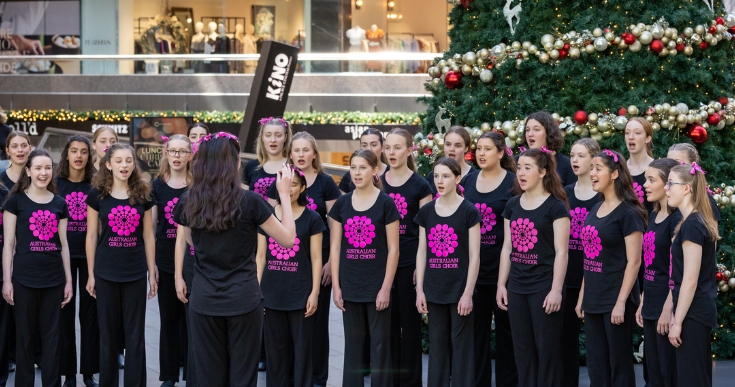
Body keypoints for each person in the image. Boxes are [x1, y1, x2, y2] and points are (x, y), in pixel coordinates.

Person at [172, 132, 296, 386]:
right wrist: (284, 195)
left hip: (204, 299)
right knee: (243, 376)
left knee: (209, 375)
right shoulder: (251, 201)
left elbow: (189, 240)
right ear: (234, 162)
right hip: (243, 299)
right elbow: (287, 239)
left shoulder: (189, 200)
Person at [267, 131, 340, 386]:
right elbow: (268, 227)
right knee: (282, 335)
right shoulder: (279, 182)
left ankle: (316, 377)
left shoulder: (325, 182)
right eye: (296, 150)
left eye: (305, 150)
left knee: (315, 326)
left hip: (315, 262)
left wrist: (331, 262)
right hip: (281, 273)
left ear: (314, 154)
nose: (300, 155)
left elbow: (334, 225)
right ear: (290, 153)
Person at [85, 143, 158, 386]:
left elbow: (148, 235)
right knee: (108, 335)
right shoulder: (96, 195)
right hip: (105, 271)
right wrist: (91, 275)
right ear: (108, 164)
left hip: (135, 271)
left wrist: (151, 272)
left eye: (129, 161)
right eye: (118, 161)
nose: (124, 165)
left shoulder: (144, 193)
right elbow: (92, 235)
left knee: (135, 334)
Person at [496, 148, 569, 387]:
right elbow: (507, 248)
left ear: (543, 172)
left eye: (528, 168)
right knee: (523, 351)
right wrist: (501, 285)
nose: (521, 173)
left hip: (544, 287)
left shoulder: (556, 207)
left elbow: (562, 252)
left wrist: (556, 290)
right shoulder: (512, 205)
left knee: (546, 351)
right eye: (519, 168)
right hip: (517, 287)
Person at [575, 149, 647, 387]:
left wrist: (621, 302)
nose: (592, 173)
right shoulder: (595, 210)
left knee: (619, 366)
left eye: (598, 168)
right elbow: (589, 255)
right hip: (594, 298)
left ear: (615, 173)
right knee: (597, 366)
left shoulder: (629, 213)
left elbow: (634, 262)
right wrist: (582, 296)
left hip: (616, 300)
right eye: (591, 168)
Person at [328, 149, 400, 387]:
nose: (357, 173)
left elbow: (393, 250)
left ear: (374, 171)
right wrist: (337, 287)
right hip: (350, 285)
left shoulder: (386, 203)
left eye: (363, 168)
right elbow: (336, 247)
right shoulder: (341, 204)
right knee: (353, 346)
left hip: (377, 285)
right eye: (354, 167)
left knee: (380, 346)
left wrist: (386, 288)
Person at [2, 149, 72, 387]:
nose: (44, 173)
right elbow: (9, 244)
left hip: (53, 279)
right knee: (24, 338)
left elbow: (63, 245)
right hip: (23, 279)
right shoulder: (15, 202)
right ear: (29, 171)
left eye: (48, 168)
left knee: (52, 337)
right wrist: (7, 280)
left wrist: (69, 281)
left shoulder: (60, 204)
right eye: (39, 168)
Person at [415, 158, 481, 387]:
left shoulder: (469, 211)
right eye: (436, 176)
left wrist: (468, 293)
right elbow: (422, 252)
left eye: (445, 176)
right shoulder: (427, 211)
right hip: (434, 290)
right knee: (438, 347)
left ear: (457, 178)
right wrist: (420, 291)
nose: (439, 181)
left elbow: (474, 256)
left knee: (462, 348)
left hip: (459, 290)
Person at [257, 167, 324, 387]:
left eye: (294, 183)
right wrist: (258, 293)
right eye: (285, 183)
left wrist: (314, 293)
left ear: (303, 187)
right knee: (275, 354)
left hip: (300, 295)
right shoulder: (266, 217)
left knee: (302, 352)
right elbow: (260, 257)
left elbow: (316, 258)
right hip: (272, 293)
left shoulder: (312, 218)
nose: (289, 188)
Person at [460, 131, 518, 387]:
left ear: (501, 152)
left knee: (508, 335)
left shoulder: (514, 182)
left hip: (505, 272)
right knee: (476, 336)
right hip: (474, 272)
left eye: (487, 149)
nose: (481, 154)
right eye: (479, 149)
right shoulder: (468, 181)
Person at [381, 128, 432, 386]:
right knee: (386, 328)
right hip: (382, 265)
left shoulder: (421, 185)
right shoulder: (377, 180)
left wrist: (420, 269)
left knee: (410, 327)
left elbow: (426, 231)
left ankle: (411, 382)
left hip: (410, 262)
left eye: (397, 147)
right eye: (388, 147)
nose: (392, 152)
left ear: (409, 150)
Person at [666, 162, 719, 386]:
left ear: (687, 188)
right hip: (694, 311)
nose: (666, 188)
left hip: (694, 314)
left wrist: (677, 321)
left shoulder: (693, 226)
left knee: (693, 379)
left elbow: (690, 279)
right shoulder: (692, 223)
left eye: (670, 183)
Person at [56, 136, 100, 387]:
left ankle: (88, 372)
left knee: (90, 314)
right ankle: (69, 373)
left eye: (83, 151)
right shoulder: (56, 183)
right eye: (74, 151)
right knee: (65, 313)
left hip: (90, 254)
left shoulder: (95, 183)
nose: (79, 156)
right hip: (63, 254)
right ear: (67, 154)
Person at [634, 158, 681, 387]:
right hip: (651, 300)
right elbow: (649, 264)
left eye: (651, 180)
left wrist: (668, 309)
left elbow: (676, 269)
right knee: (652, 373)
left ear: (667, 185)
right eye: (645, 179)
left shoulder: (676, 220)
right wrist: (643, 300)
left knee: (667, 372)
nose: (645, 184)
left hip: (666, 303)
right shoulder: (653, 216)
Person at [151, 135, 193, 387]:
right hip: (165, 261)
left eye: (182, 152)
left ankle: (191, 373)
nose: (177, 156)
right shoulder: (156, 186)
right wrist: (152, 265)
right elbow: (152, 229)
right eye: (172, 151)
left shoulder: (197, 186)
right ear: (166, 154)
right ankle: (168, 375)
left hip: (193, 262)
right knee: (168, 320)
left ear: (190, 155)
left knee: (191, 322)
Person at [561, 137, 601, 386]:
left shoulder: (601, 196)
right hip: (567, 277)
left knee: (598, 343)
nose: (574, 160)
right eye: (572, 155)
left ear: (594, 160)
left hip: (594, 278)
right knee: (565, 341)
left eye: (581, 156)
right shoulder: (564, 193)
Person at [667, 143, 721, 223]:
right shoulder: (668, 193)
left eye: (677, 163)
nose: (672, 167)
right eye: (668, 163)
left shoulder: (707, 201)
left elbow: (712, 233)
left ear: (693, 164)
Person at [519, 112, 577, 186]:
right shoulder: (518, 160)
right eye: (527, 130)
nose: (530, 134)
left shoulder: (567, 165)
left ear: (549, 133)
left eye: (536, 130)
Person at [243, 117, 292, 200]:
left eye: (278, 135)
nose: (273, 140)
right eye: (268, 135)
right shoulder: (251, 166)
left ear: (285, 137)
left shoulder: (292, 166)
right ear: (262, 137)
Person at [426, 126, 477, 193]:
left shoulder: (475, 177)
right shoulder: (432, 176)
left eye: (457, 145)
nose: (451, 149)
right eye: (448, 144)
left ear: (466, 148)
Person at [339, 128, 389, 194]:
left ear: (382, 147)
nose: (369, 149)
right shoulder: (350, 176)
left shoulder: (392, 173)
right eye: (364, 145)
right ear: (360, 148)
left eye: (374, 145)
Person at [625, 117, 655, 214]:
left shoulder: (656, 169)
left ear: (647, 138)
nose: (631, 137)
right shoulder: (620, 169)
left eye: (637, 133)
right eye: (627, 133)